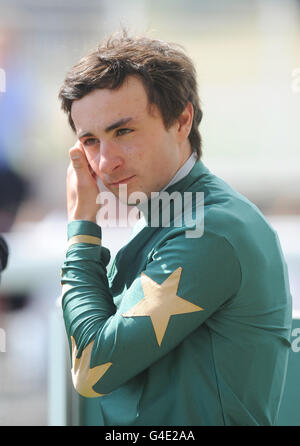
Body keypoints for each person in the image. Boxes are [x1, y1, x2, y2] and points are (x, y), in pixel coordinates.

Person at [58, 31, 292, 426]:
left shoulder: (210, 230)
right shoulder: (169, 215)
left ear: (182, 120)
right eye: (90, 141)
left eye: (123, 132)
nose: (105, 162)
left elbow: (92, 366)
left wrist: (81, 228)